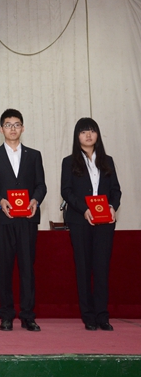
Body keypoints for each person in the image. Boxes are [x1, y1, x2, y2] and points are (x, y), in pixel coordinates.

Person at [0, 108, 46, 332]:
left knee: (28, 269)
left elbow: (41, 185)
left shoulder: (34, 155)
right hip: (4, 219)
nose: (13, 129)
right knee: (4, 269)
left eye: (17, 125)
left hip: (27, 219)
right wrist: (0, 201)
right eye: (8, 125)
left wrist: (35, 200)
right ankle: (6, 315)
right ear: (1, 129)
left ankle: (28, 316)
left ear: (23, 128)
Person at [60, 117, 121, 331]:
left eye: (92, 131)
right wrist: (84, 209)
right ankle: (88, 316)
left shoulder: (107, 160)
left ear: (97, 135)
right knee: (84, 268)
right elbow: (66, 191)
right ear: (77, 136)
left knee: (102, 268)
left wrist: (112, 206)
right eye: (84, 131)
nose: (88, 135)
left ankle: (102, 315)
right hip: (80, 220)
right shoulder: (69, 161)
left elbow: (116, 190)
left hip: (105, 221)